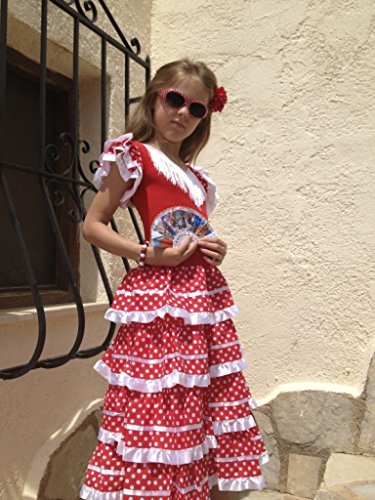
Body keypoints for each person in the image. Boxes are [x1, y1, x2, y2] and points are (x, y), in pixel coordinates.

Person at [80, 59, 268, 500]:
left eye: (196, 108)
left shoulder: (198, 179)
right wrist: (148, 253)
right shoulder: (132, 155)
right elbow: (92, 225)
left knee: (190, 404)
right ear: (155, 98)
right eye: (176, 100)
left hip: (202, 301)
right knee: (157, 404)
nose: (183, 113)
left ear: (204, 118)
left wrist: (213, 249)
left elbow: (191, 233)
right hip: (161, 298)